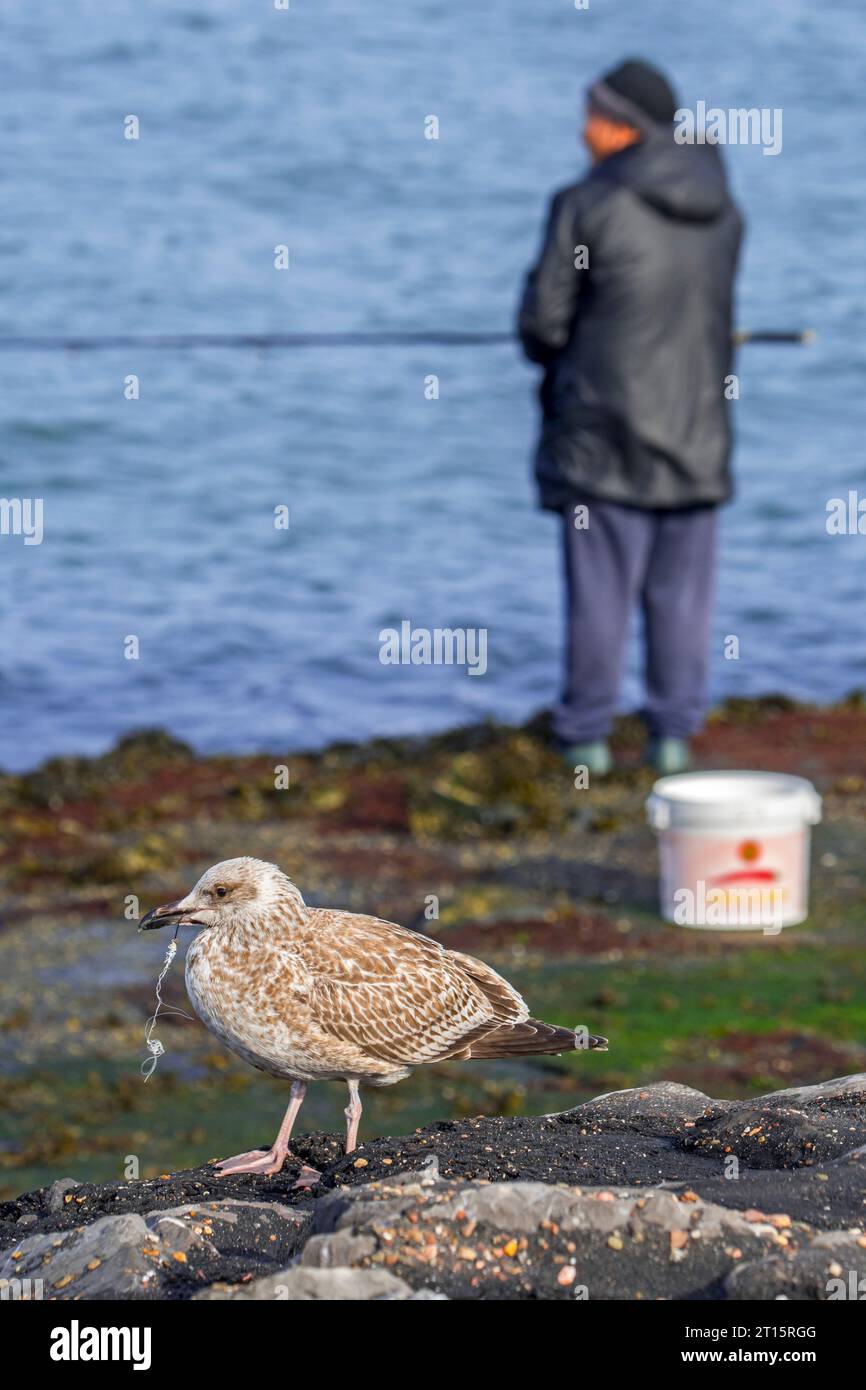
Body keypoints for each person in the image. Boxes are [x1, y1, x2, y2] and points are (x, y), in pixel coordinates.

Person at [518, 58, 743, 775]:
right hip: (698, 432)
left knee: (601, 595)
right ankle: (672, 739)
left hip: (603, 437)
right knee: (681, 598)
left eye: (590, 113)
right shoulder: (722, 208)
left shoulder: (585, 204)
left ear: (621, 126)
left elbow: (541, 327)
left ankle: (586, 739)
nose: (582, 129)